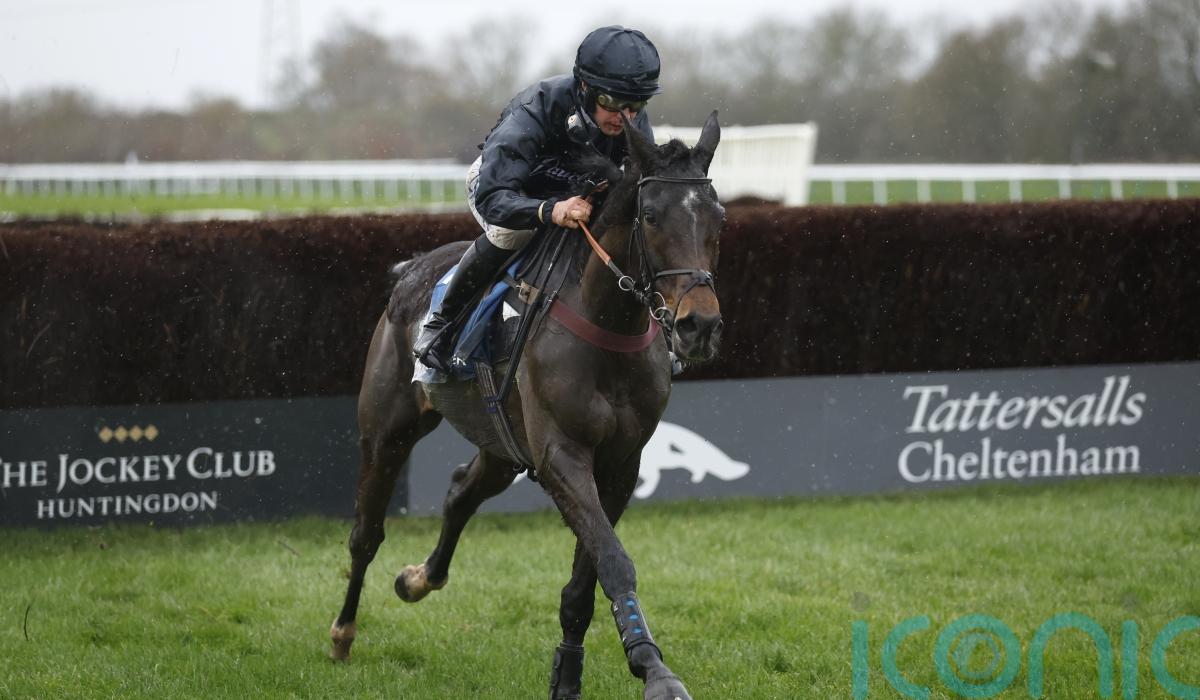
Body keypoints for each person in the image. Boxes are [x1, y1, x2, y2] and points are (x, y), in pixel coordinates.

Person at [413, 25, 661, 372]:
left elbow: (642, 184)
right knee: (513, 233)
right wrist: (549, 210)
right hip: (504, 186)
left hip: (573, 190)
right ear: (585, 88)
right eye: (613, 103)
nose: (626, 117)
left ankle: (660, 329)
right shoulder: (536, 108)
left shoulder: (632, 118)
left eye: (637, 105)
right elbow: (493, 198)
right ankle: (441, 325)